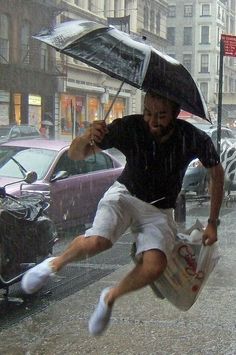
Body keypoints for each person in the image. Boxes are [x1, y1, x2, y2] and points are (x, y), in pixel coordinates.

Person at [21, 90, 224, 336]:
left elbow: (216, 173)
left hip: (159, 210)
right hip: (125, 195)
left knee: (155, 265)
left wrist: (213, 222)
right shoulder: (130, 127)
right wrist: (87, 137)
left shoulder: (192, 137)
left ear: (175, 114)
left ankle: (109, 298)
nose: (152, 121)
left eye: (160, 115)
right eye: (148, 113)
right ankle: (53, 264)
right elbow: (75, 154)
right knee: (99, 240)